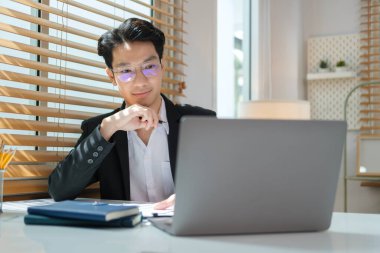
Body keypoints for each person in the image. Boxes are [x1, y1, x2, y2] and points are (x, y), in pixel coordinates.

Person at [48, 18, 216, 209]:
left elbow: (230, 183)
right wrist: (108, 128)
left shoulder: (202, 122)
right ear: (111, 76)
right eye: (126, 71)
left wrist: (195, 198)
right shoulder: (102, 130)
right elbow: (59, 190)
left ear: (162, 66)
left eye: (149, 67)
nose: (140, 82)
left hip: (183, 233)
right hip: (125, 236)